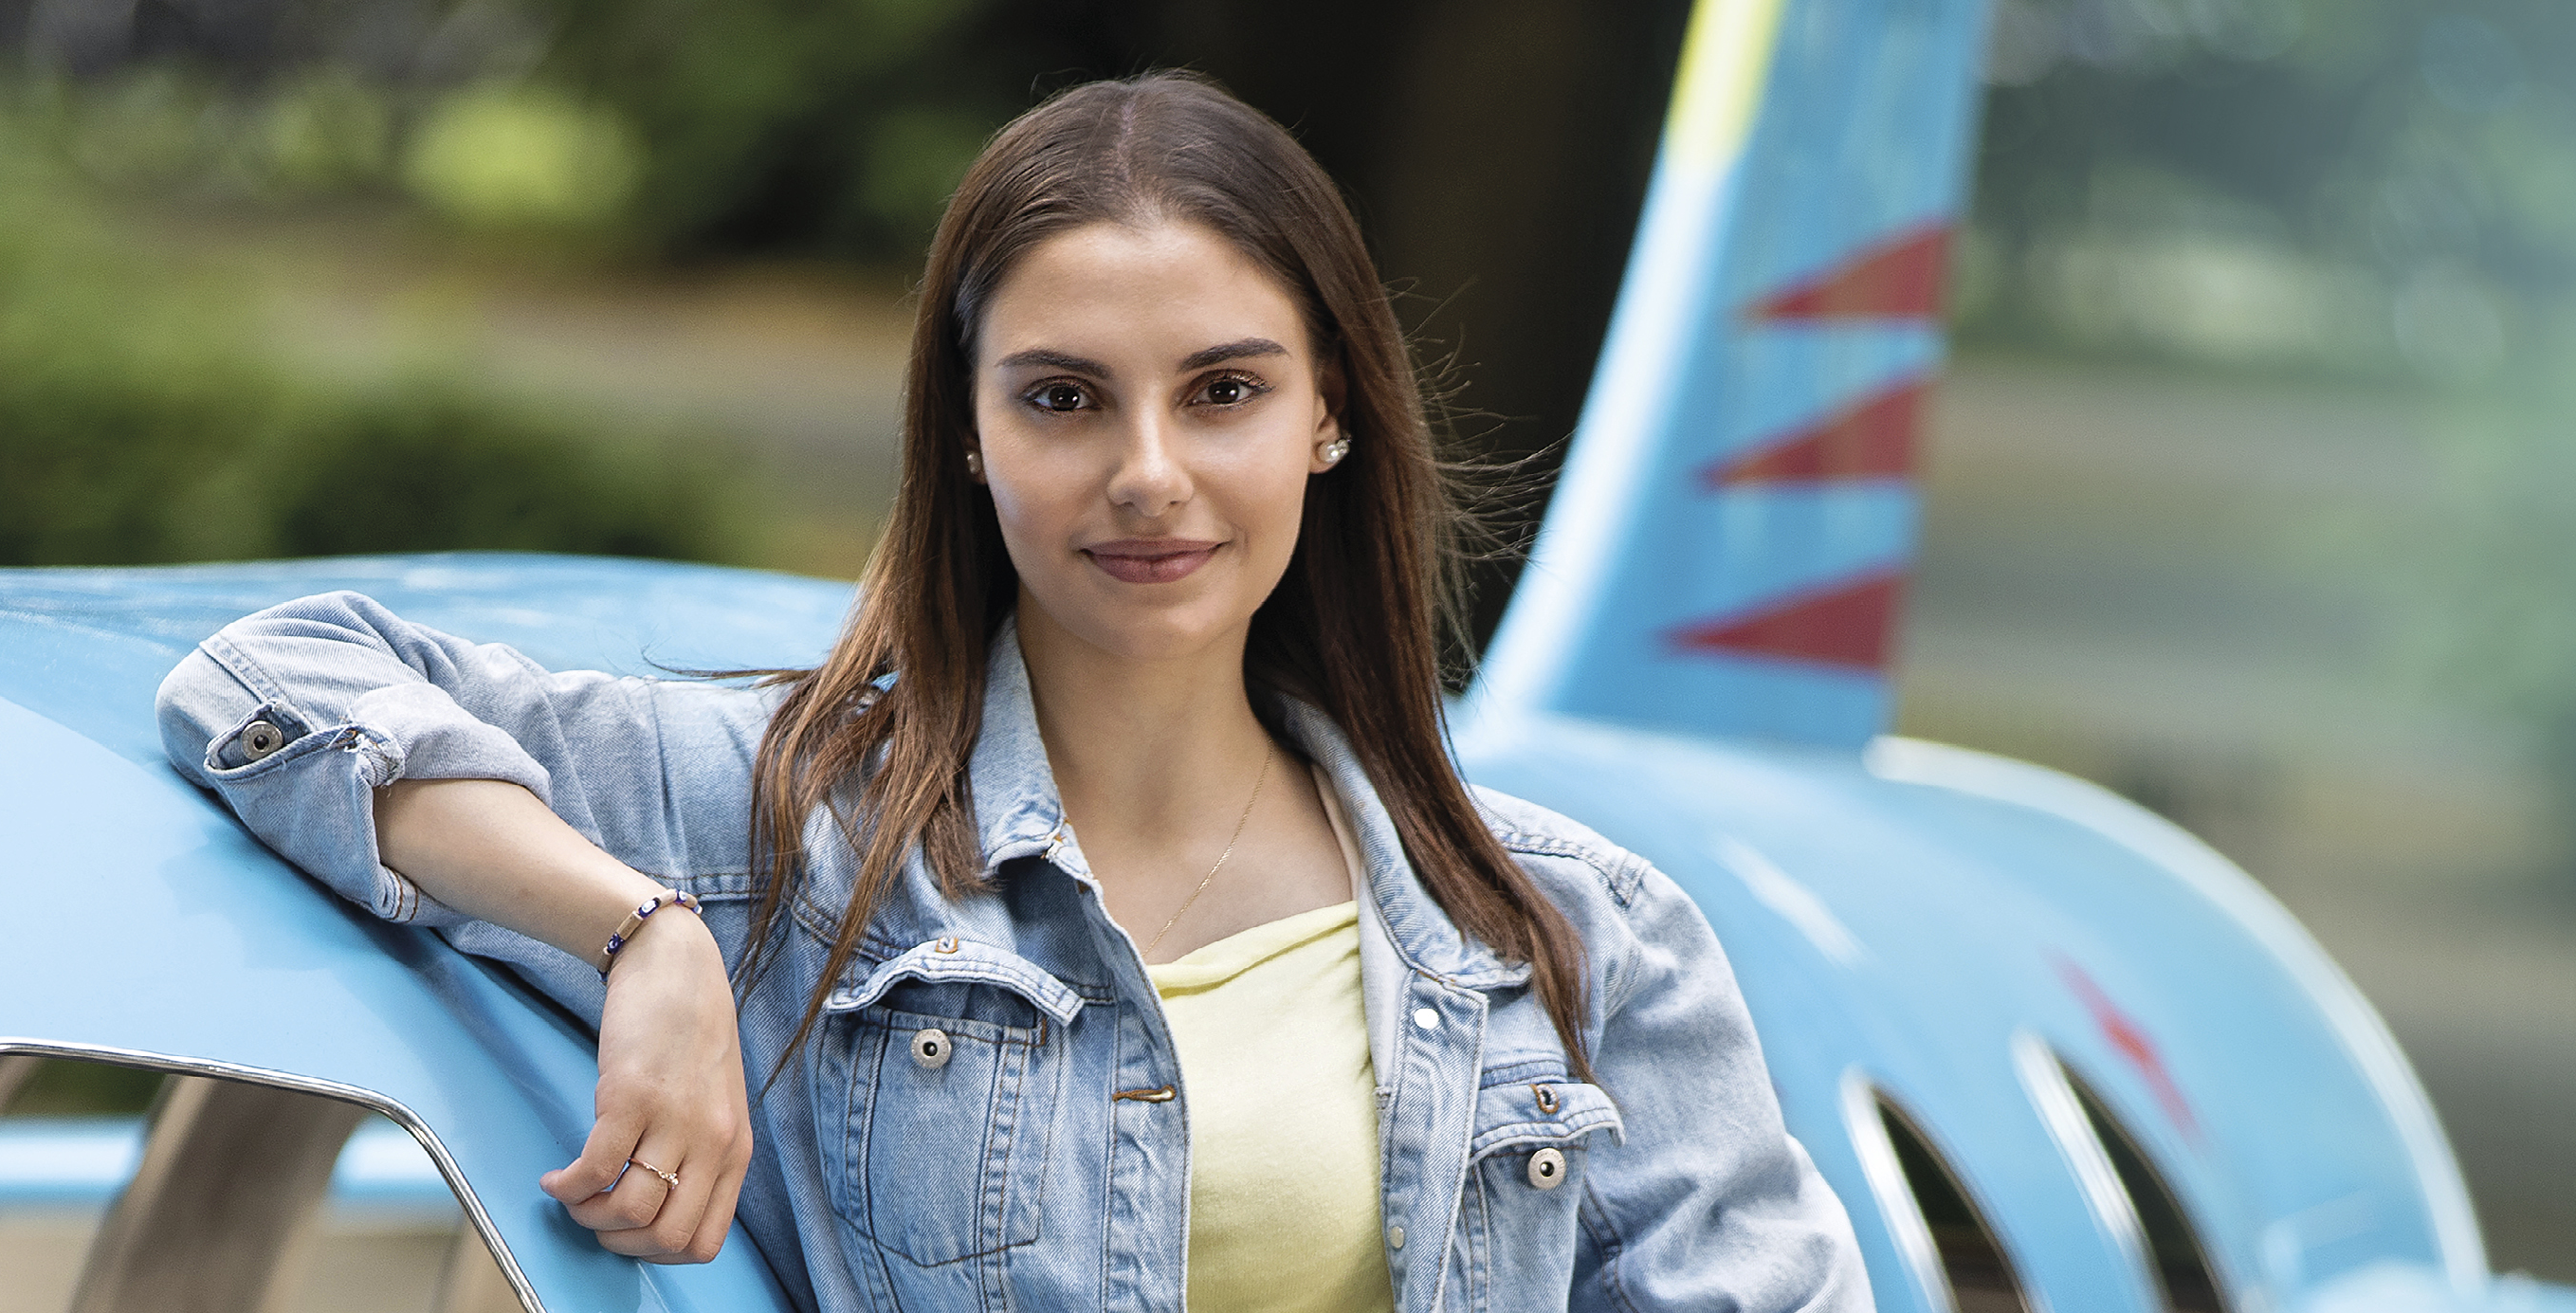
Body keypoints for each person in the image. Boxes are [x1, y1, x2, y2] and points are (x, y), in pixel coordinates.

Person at [156, 71, 1870, 1313]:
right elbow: (270, 679)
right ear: (967, 436)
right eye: (1062, 398)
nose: (1147, 472)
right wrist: (643, 932)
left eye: (1221, 391)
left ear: (1328, 417)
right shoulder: (778, 824)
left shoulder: (1572, 936)